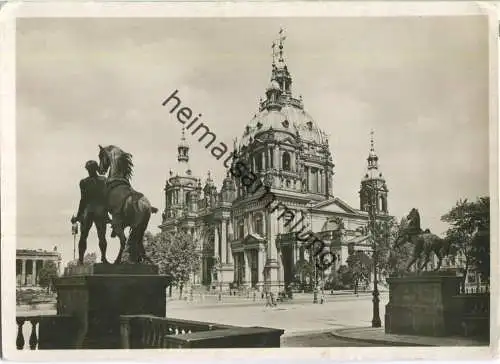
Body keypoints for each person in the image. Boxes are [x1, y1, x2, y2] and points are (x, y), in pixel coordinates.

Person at [70, 160, 113, 264]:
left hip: (88, 211)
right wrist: (109, 213)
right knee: (101, 236)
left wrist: (78, 216)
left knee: (84, 236)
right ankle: (103, 257)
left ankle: (81, 260)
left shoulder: (84, 182)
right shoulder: (104, 180)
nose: (89, 171)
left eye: (89, 169)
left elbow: (83, 200)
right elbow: (107, 198)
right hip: (100, 211)